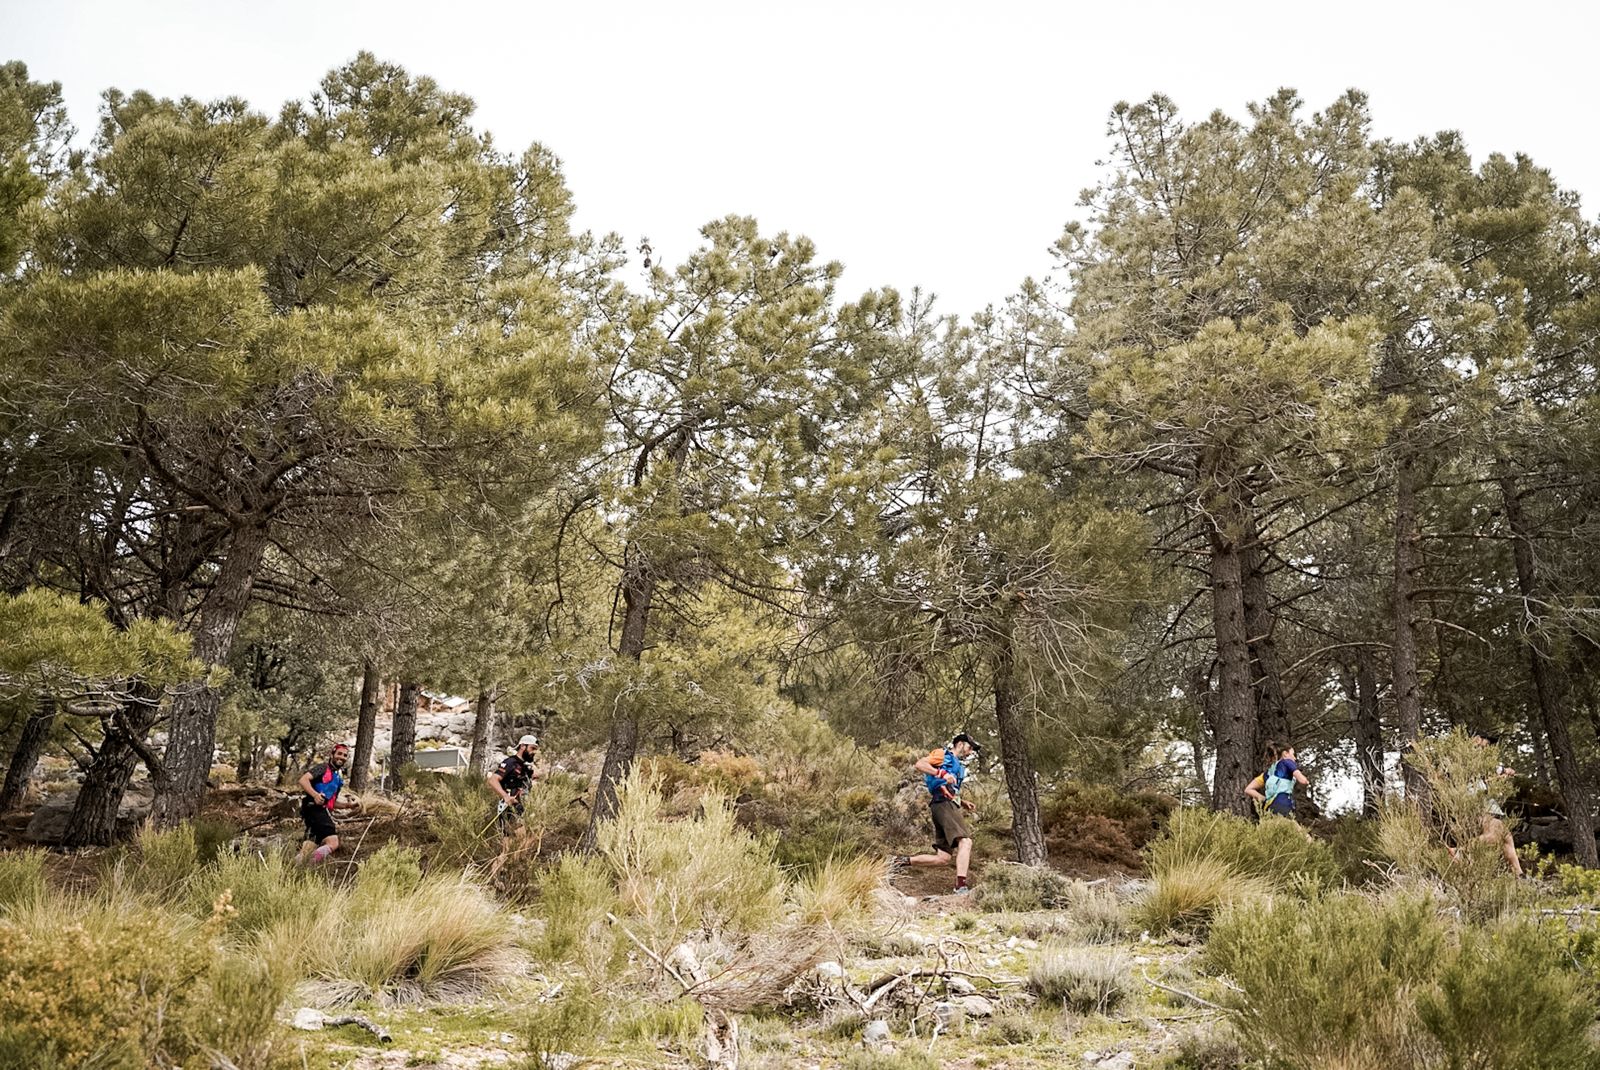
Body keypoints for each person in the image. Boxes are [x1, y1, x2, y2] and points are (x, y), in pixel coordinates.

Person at [900, 733, 980, 895]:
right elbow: (920, 764)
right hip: (943, 804)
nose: (971, 752)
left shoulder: (958, 766)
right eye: (970, 747)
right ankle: (961, 886)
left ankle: (896, 862)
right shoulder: (943, 754)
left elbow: (949, 788)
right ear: (960, 744)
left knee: (943, 858)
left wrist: (962, 802)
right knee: (965, 842)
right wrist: (941, 774)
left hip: (946, 804)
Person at [1466, 732, 1523, 877]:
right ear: (1477, 739)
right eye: (1487, 741)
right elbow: (1484, 766)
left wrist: (1500, 778)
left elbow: (1484, 778)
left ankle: (1519, 875)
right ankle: (1461, 851)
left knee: (1506, 836)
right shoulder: (1470, 754)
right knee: (1492, 835)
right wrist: (1504, 770)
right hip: (1477, 801)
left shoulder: (1478, 758)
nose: (1489, 745)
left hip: (1487, 802)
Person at [486, 734, 541, 883]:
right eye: (532, 748)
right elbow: (493, 780)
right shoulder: (510, 762)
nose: (534, 751)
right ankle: (511, 874)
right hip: (509, 810)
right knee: (523, 841)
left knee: (508, 849)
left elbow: (539, 774)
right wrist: (505, 796)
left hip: (520, 809)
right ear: (523, 746)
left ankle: (495, 879)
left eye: (536, 749)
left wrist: (534, 762)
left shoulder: (525, 767)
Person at [296, 743, 351, 865]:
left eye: (345, 755)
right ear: (332, 754)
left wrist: (348, 806)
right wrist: (315, 795)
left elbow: (331, 802)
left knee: (308, 847)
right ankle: (310, 866)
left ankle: (294, 869)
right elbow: (303, 780)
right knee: (333, 842)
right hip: (314, 809)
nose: (342, 757)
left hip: (315, 812)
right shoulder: (322, 768)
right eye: (339, 754)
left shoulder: (337, 779)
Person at [1244, 741, 1309, 817]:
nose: (1294, 758)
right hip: (1283, 804)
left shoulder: (1267, 773)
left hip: (1268, 807)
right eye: (1293, 754)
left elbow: (1248, 789)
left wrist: (1264, 799)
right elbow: (1302, 780)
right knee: (1290, 827)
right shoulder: (1287, 762)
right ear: (1285, 754)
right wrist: (1306, 780)